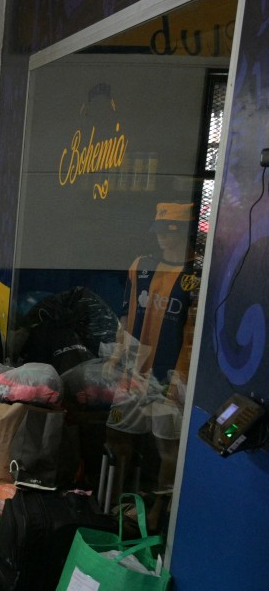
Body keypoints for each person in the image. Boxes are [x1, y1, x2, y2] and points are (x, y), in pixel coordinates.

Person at [106, 201, 200, 512]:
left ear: (185, 232)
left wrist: (183, 380)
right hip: (134, 371)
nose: (163, 238)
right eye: (160, 231)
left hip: (172, 377)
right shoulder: (141, 268)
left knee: (167, 450)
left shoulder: (196, 277)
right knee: (117, 438)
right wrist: (115, 357)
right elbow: (125, 317)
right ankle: (111, 504)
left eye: (170, 232)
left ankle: (159, 515)